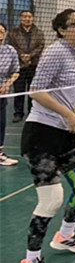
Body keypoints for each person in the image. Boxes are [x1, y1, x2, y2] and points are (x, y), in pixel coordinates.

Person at [17, 9, 75, 263]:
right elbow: (37, 90)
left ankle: (65, 236)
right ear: (61, 30)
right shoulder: (55, 52)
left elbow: (66, 92)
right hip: (41, 135)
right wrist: (67, 114)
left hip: (64, 134)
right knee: (51, 199)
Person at [8, 10, 45, 123]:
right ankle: (18, 113)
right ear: (20, 18)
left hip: (34, 65)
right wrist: (22, 56)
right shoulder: (13, 33)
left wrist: (30, 56)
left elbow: (41, 45)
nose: (27, 19)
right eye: (24, 17)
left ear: (33, 18)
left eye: (29, 17)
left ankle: (32, 112)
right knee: (19, 90)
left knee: (32, 90)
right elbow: (12, 46)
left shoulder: (39, 32)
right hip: (19, 66)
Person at [0, 22, 20, 166]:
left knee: (0, 123)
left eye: (2, 32)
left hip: (2, 92)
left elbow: (16, 71)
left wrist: (8, 84)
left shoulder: (10, 51)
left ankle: (0, 154)